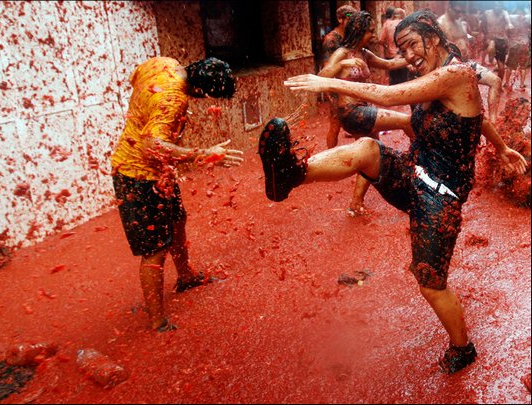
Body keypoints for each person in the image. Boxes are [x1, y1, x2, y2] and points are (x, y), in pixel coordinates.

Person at [260, 10, 528, 373]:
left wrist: (332, 84)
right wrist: (501, 148)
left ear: (432, 38)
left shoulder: (455, 74)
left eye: (413, 45)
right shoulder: (433, 72)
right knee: (367, 151)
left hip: (441, 197)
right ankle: (290, 176)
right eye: (402, 48)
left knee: (431, 284)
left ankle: (463, 349)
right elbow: (478, 119)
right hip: (415, 173)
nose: (409, 55)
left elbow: (389, 95)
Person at [111, 56, 244, 332]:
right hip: (138, 175)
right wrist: (204, 154)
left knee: (177, 221)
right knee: (155, 250)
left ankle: (185, 276)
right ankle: (157, 320)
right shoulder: (174, 98)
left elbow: (134, 79)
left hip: (160, 172)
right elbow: (152, 146)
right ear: (201, 91)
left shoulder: (164, 63)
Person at [319, 10, 413, 216]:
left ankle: (355, 203)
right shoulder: (342, 53)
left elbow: (390, 64)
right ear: (359, 30)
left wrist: (414, 56)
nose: (373, 35)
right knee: (407, 121)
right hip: (351, 112)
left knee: (370, 153)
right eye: (370, 31)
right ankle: (424, 162)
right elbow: (322, 76)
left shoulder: (364, 53)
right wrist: (342, 64)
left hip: (364, 110)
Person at [321, 4, 357, 149]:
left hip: (350, 84)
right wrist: (332, 92)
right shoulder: (331, 39)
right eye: (349, 18)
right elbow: (327, 68)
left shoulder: (350, 36)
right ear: (340, 19)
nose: (352, 21)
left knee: (356, 124)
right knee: (335, 126)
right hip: (336, 86)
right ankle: (330, 157)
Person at [481, 1, 513, 82]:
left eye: (499, 6)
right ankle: (490, 59)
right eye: (496, 5)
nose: (497, 8)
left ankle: (499, 83)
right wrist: (486, 36)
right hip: (490, 39)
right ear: (493, 6)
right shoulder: (487, 13)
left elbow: (508, 20)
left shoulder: (504, 13)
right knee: (491, 58)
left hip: (501, 41)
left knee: (501, 67)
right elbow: (483, 26)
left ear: (502, 7)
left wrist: (509, 24)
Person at [380, 8, 409, 85]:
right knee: (404, 80)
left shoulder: (387, 24)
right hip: (403, 56)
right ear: (402, 15)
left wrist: (387, 47)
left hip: (391, 56)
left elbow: (380, 40)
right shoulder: (405, 23)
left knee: (393, 80)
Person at [504, 6, 531, 91]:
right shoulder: (528, 18)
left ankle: (507, 83)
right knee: (523, 67)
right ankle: (522, 84)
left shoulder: (511, 18)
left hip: (515, 45)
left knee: (509, 66)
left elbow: (507, 30)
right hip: (524, 44)